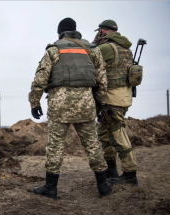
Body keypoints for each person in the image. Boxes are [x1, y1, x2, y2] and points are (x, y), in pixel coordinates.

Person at [29, 17, 111, 199]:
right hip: (86, 105)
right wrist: (99, 102)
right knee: (92, 145)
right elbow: (102, 79)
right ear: (75, 31)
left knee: (55, 146)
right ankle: (103, 186)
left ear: (60, 33)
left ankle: (51, 187)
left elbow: (40, 78)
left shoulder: (53, 50)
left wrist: (34, 102)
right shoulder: (92, 49)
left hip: (60, 106)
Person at [92, 20, 138, 186]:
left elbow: (90, 57)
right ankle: (111, 171)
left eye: (99, 32)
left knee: (118, 135)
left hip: (111, 99)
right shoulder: (126, 48)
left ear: (103, 31)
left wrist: (95, 42)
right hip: (123, 97)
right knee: (104, 133)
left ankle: (130, 174)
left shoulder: (106, 48)